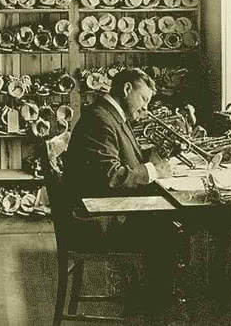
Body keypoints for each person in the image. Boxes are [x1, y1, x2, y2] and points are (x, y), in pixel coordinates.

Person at [65, 68, 185, 325]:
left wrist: (152, 155)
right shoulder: (100, 119)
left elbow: (124, 157)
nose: (146, 108)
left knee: (169, 225)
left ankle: (151, 301)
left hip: (102, 211)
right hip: (96, 224)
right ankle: (158, 312)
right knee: (171, 230)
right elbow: (110, 177)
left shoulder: (110, 116)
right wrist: (153, 170)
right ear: (127, 89)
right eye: (143, 99)